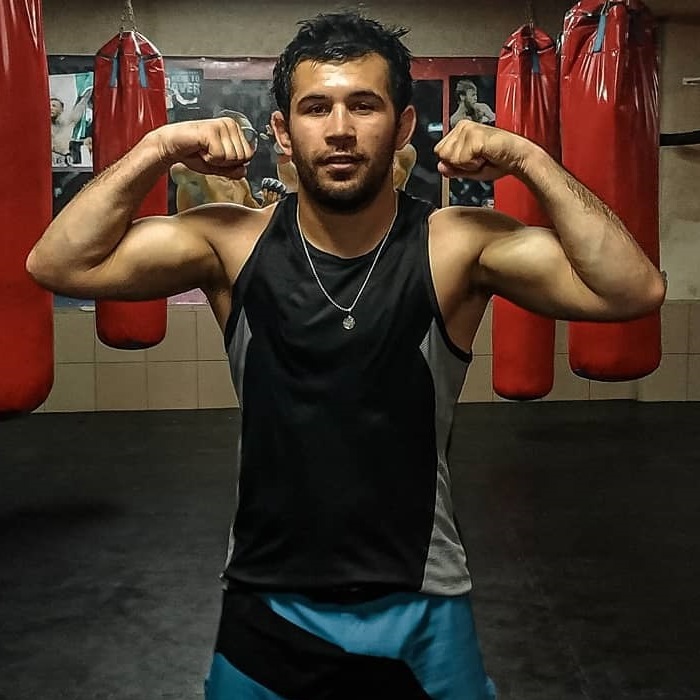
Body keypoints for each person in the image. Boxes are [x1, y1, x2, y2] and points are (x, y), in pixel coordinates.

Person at [27, 11, 665, 700]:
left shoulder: (455, 244)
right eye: (315, 108)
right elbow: (57, 263)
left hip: (421, 603)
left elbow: (633, 290)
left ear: (402, 126)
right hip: (267, 603)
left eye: (364, 105)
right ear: (283, 131)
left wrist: (530, 160)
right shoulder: (230, 242)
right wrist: (157, 147)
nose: (338, 129)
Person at [50, 87, 93, 166]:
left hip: (66, 161)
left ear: (61, 109)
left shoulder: (68, 122)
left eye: (54, 106)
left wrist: (89, 90)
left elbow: (81, 104)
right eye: (49, 106)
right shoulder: (43, 127)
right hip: (49, 162)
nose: (51, 108)